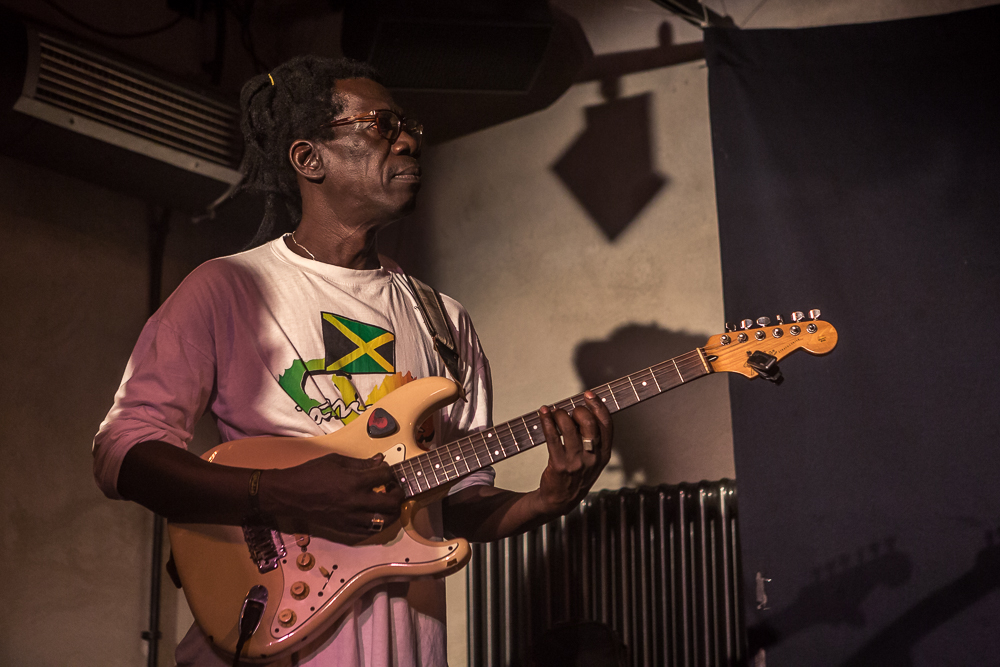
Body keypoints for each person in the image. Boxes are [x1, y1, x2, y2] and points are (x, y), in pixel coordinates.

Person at [93, 55, 612, 667]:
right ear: (309, 158)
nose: (409, 139)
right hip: (272, 633)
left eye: (408, 125)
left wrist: (547, 499)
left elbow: (458, 504)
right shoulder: (228, 289)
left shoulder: (445, 321)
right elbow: (123, 452)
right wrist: (279, 494)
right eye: (381, 125)